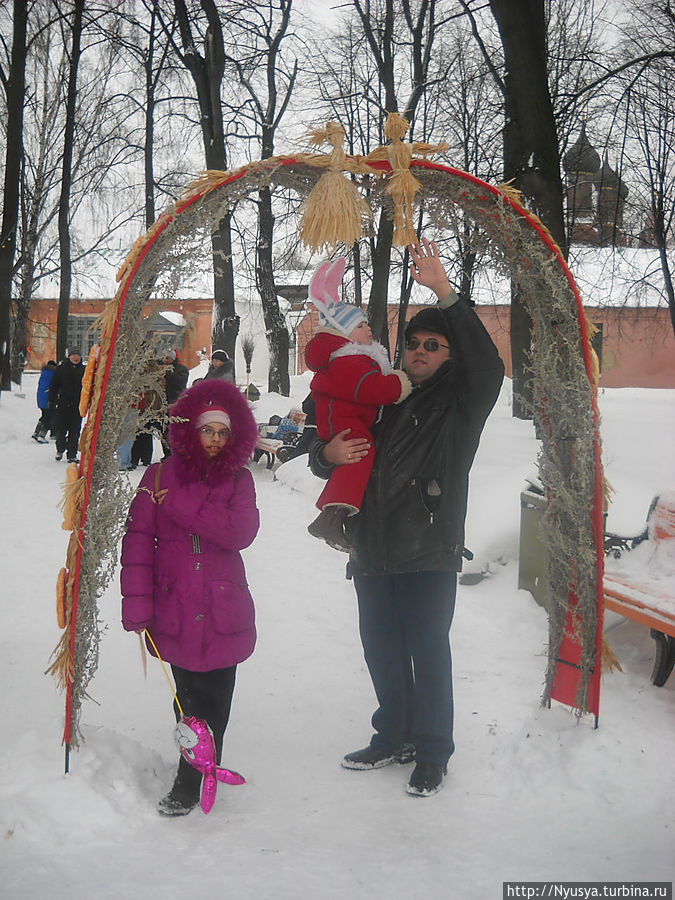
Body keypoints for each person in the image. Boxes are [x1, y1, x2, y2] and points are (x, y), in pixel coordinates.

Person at [309, 238, 505, 797]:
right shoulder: (382, 398)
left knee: (427, 650)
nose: (420, 350)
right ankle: (392, 733)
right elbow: (333, 449)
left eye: (433, 344)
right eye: (413, 342)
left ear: (448, 354)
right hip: (372, 548)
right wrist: (327, 455)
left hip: (427, 549)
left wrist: (444, 291)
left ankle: (433, 750)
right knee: (382, 650)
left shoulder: (460, 403)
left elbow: (487, 363)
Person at [120, 378, 260, 817]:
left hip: (223, 609)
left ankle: (199, 771)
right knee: (187, 699)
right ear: (189, 430)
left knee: (217, 698)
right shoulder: (157, 475)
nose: (215, 440)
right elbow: (138, 544)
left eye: (223, 433)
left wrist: (179, 508)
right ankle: (191, 773)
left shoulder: (239, 480)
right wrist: (138, 607)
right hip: (174, 606)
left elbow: (241, 533)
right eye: (207, 430)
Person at [304, 257, 411, 551]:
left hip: (345, 420)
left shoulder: (347, 360)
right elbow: (370, 389)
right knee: (359, 455)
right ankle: (331, 518)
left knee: (357, 457)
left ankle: (331, 517)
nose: (368, 330)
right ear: (342, 333)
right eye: (361, 325)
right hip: (346, 422)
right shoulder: (349, 361)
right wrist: (398, 384)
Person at [48, 349, 85, 463]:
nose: (76, 357)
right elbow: (54, 385)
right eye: (73, 355)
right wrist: (51, 400)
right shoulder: (61, 368)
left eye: (78, 355)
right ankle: (60, 449)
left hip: (77, 406)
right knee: (60, 431)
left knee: (74, 432)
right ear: (69, 357)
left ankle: (72, 455)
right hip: (63, 405)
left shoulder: (84, 370)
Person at [160, 350, 190, 459]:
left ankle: (178, 452)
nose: (165, 360)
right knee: (164, 429)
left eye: (167, 358)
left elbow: (181, 382)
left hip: (176, 403)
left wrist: (167, 373)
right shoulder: (160, 368)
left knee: (176, 428)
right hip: (163, 403)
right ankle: (167, 453)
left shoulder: (181, 369)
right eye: (164, 358)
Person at [31, 359, 57, 443]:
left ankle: (36, 432)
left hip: (41, 398)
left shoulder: (44, 373)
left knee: (45, 415)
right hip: (49, 398)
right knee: (49, 416)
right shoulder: (54, 373)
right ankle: (42, 435)